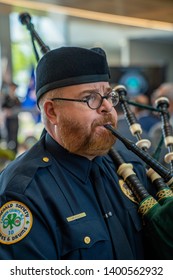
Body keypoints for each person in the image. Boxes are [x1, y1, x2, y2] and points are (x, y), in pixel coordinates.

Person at [0, 46, 155, 260]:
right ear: (52, 112)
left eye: (108, 95)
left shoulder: (130, 167)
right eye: (90, 98)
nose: (107, 107)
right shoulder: (24, 192)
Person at [1, 82, 21, 153]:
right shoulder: (6, 98)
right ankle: (8, 152)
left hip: (15, 119)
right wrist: (6, 112)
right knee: (8, 136)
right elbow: (3, 108)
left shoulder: (17, 99)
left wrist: (12, 112)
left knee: (14, 136)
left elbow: (19, 109)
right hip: (8, 120)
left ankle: (14, 152)